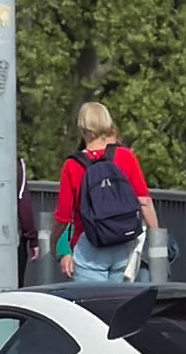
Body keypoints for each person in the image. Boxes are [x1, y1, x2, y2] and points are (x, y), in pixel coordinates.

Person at [55, 102, 161, 283]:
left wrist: (56, 245)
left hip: (90, 245)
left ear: (82, 128)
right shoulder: (125, 156)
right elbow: (144, 202)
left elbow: (64, 216)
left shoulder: (72, 165)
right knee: (118, 304)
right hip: (123, 243)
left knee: (90, 308)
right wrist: (158, 239)